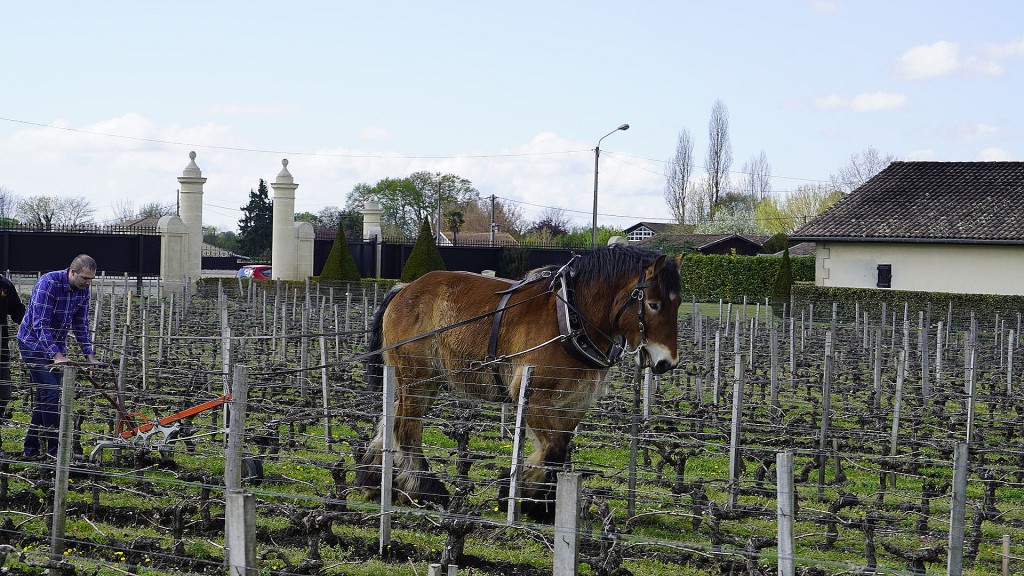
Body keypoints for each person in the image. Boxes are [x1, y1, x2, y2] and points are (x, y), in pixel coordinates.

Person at [18, 254, 101, 458]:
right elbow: (40, 323)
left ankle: (31, 449)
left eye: (91, 279)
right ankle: (58, 453)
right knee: (52, 393)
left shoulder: (83, 291)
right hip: (32, 344)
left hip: (56, 348)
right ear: (72, 272)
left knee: (47, 397)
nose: (88, 283)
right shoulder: (48, 283)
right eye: (85, 278)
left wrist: (89, 355)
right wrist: (55, 355)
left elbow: (80, 324)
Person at [0, 274, 26, 419]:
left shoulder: (4, 285)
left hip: (1, 348)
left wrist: (32, 324)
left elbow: (17, 310)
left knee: (3, 393)